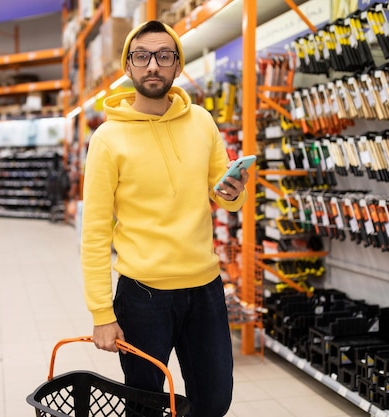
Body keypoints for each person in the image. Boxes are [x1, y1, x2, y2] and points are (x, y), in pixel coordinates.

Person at [80, 20, 249, 417]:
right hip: (143, 295)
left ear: (177, 66)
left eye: (163, 56)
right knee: (144, 404)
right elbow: (94, 233)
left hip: (205, 288)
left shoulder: (203, 122)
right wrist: (102, 314)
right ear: (128, 68)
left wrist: (234, 193)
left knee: (214, 400)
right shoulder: (107, 139)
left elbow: (224, 194)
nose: (152, 65)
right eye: (141, 57)